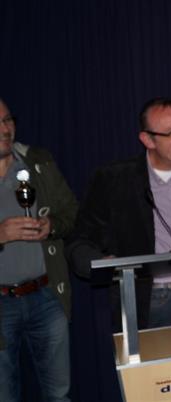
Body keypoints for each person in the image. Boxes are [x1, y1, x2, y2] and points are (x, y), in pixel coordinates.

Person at [67, 98, 171, 331]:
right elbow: (79, 242)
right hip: (158, 301)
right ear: (147, 140)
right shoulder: (116, 180)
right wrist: (101, 264)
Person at [0, 98, 78, 402]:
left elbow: (71, 212)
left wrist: (52, 225)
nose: (5, 129)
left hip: (46, 296)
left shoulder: (37, 161)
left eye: (8, 120)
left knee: (59, 395)